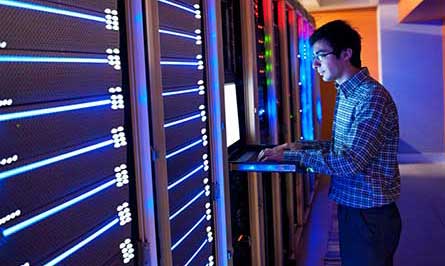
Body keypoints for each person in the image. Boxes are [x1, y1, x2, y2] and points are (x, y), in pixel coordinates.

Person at [258, 20, 401, 266]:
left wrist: (293, 158)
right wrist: (296, 147)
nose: (314, 64)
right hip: (353, 206)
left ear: (346, 54)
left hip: (369, 214)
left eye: (321, 55)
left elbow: (350, 162)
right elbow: (340, 148)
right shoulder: (347, 92)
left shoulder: (371, 98)